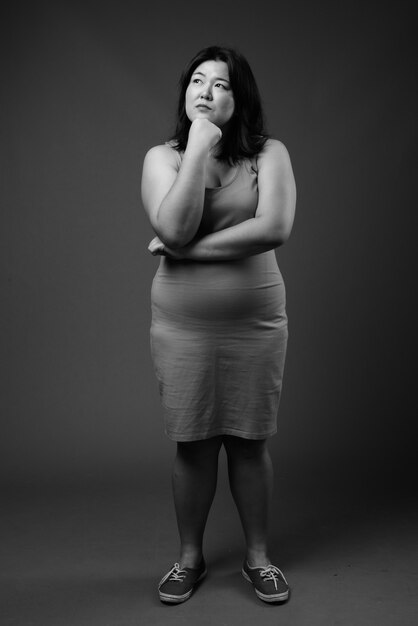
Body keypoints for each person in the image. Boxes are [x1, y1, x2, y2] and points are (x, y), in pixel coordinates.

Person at [141, 45, 296, 604]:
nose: (205, 92)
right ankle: (189, 559)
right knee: (194, 444)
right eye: (197, 82)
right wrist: (200, 147)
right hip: (182, 327)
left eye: (221, 85)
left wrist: (186, 252)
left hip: (255, 324)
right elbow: (174, 227)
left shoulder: (269, 154)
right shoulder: (163, 158)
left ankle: (258, 557)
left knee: (251, 442)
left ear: (241, 95)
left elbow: (273, 227)